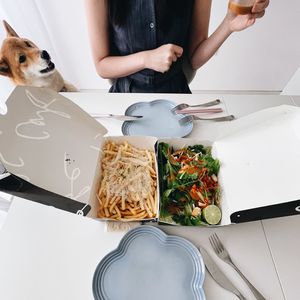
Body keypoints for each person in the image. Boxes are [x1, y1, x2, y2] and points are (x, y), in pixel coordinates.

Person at [85, 0, 269, 93]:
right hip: (124, 96)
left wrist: (229, 24)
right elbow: (102, 66)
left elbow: (194, 58)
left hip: (177, 97)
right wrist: (146, 59)